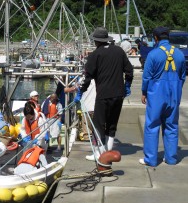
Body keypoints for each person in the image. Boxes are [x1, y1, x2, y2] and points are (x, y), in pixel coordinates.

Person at [74, 27, 134, 161]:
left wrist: (80, 92)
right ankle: (108, 151)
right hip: (119, 94)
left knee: (98, 125)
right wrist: (127, 86)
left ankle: (98, 154)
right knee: (112, 124)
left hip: (103, 95)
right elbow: (129, 71)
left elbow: (87, 78)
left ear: (96, 41)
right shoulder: (119, 51)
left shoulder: (95, 55)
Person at [139, 27, 186, 167]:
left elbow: (146, 77)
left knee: (152, 125)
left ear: (156, 38)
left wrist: (144, 92)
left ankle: (151, 159)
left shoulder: (153, 54)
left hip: (156, 94)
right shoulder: (179, 54)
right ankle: (171, 159)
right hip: (174, 94)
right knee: (172, 125)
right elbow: (182, 76)